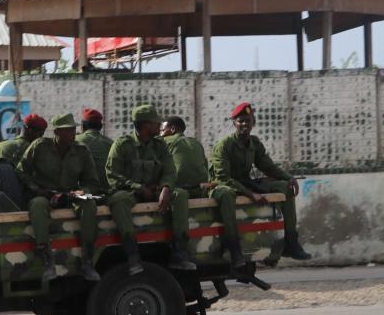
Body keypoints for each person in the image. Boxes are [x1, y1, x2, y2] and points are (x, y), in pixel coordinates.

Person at [209, 102, 312, 261]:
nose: (244, 124)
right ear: (234, 123)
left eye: (248, 120)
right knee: (227, 194)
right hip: (225, 186)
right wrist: (251, 194)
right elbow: (222, 178)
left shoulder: (254, 143)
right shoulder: (224, 146)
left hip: (245, 183)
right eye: (240, 120)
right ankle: (233, 246)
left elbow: (268, 166)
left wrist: (289, 178)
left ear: (253, 122)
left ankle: (290, 243)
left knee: (284, 187)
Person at [105, 104, 196, 275]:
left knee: (181, 195)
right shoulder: (123, 145)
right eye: (156, 123)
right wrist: (138, 188)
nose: (159, 126)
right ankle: (133, 256)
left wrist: (166, 188)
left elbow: (170, 170)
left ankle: (179, 253)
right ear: (146, 125)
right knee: (117, 200)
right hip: (131, 193)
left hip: (155, 191)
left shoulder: (160, 146)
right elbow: (112, 175)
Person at [18, 113, 102, 282]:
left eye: (74, 129)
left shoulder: (81, 150)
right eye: (69, 130)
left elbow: (92, 182)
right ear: (56, 132)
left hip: (70, 194)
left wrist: (80, 192)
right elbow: (21, 171)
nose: (73, 133)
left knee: (89, 204)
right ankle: (48, 262)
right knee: (37, 205)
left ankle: (87, 261)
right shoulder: (39, 146)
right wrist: (37, 189)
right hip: (45, 194)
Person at [161, 115, 246, 269]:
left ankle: (179, 252)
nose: (160, 133)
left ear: (172, 129)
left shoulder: (163, 142)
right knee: (226, 193)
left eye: (162, 129)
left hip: (181, 190)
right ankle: (235, 250)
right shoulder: (196, 143)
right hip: (201, 188)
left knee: (179, 196)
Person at [76, 108, 112, 185]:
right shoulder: (111, 143)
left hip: (84, 189)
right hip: (107, 188)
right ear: (100, 126)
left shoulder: (75, 140)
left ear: (83, 126)